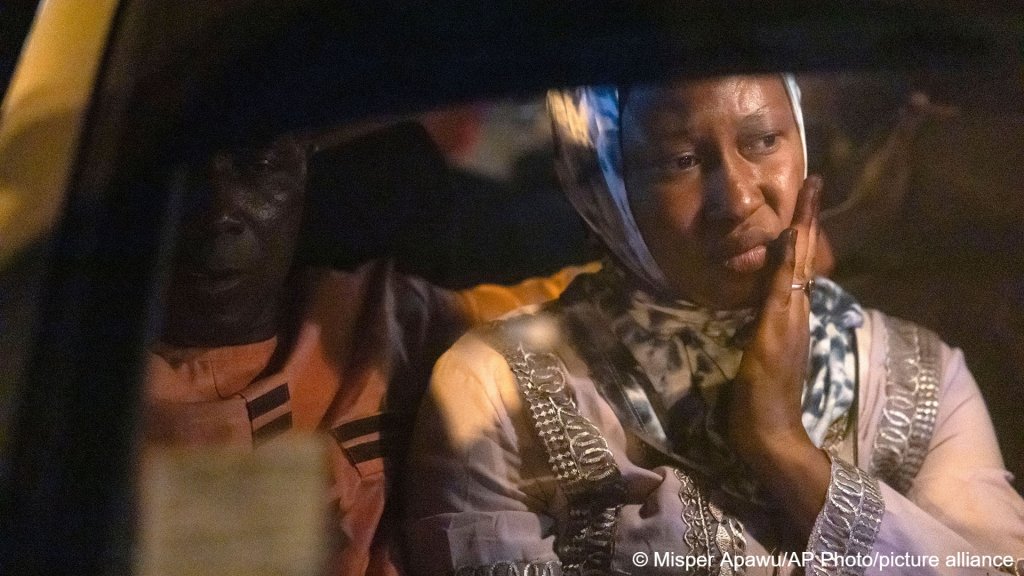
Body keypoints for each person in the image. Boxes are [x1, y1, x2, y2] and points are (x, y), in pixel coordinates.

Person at [402, 75, 1024, 575]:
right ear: (601, 187)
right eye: (679, 160)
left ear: (803, 142)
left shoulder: (919, 373)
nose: (739, 198)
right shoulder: (496, 391)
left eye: (763, 141)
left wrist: (786, 449)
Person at [143, 131, 597, 576]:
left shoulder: (382, 314)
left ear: (303, 166)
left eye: (258, 165)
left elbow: (599, 304)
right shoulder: (104, 407)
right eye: (185, 178)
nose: (220, 213)